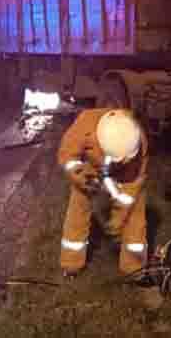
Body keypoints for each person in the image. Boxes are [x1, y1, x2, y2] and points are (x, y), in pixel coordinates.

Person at [57, 108, 147, 279]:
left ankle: (135, 269)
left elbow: (132, 188)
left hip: (124, 173)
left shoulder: (136, 141)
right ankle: (71, 265)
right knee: (78, 212)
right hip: (89, 168)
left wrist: (118, 219)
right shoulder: (85, 124)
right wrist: (80, 175)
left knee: (135, 216)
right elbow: (67, 154)